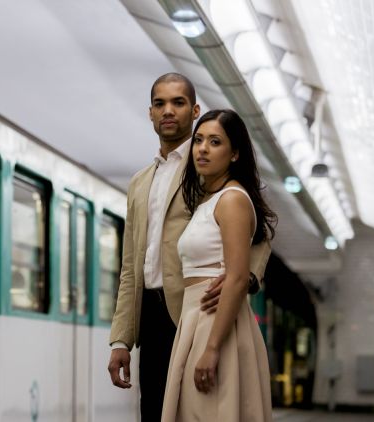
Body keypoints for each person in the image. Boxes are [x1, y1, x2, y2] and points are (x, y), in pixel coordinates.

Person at [107, 73, 271, 420]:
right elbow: (130, 266)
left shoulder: (208, 169)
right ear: (150, 113)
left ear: (194, 110)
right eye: (159, 104)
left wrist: (243, 280)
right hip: (149, 314)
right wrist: (121, 339)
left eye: (178, 103)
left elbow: (258, 231)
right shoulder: (139, 182)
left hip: (193, 311)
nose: (168, 111)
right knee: (154, 411)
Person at [161, 109, 277, 421]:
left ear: (235, 153)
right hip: (197, 320)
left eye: (215, 142)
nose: (202, 148)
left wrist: (212, 349)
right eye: (199, 140)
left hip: (215, 324)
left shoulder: (232, 200)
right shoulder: (208, 199)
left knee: (209, 411)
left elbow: (238, 278)